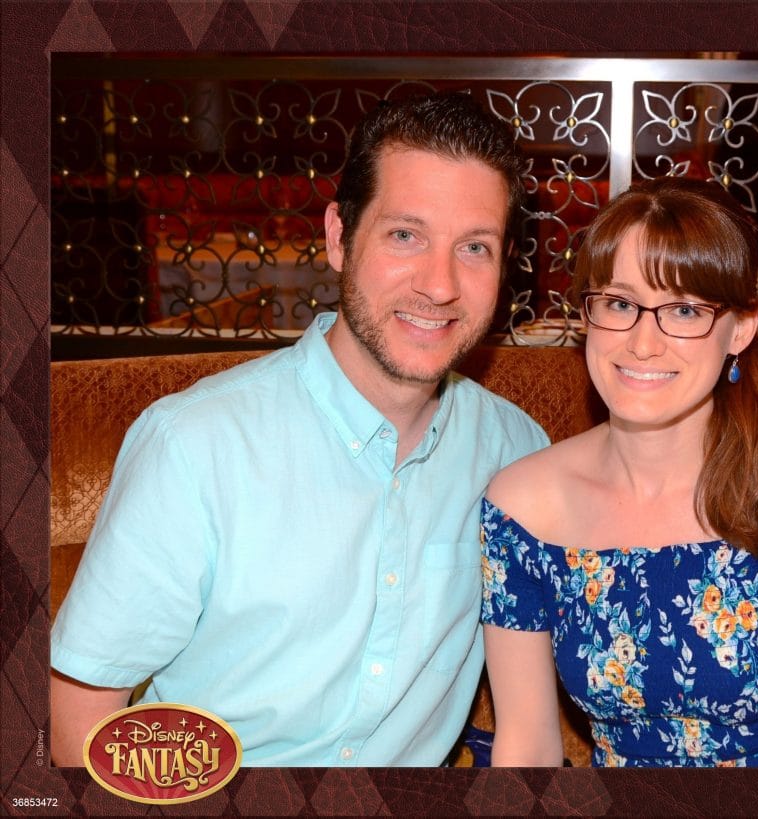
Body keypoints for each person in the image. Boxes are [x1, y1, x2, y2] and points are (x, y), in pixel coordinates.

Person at [50, 91, 549, 767]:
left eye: (475, 247)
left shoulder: (517, 455)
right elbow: (81, 728)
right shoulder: (195, 447)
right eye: (405, 235)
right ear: (340, 237)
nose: (440, 285)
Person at [480, 176, 758, 767]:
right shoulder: (522, 507)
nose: (641, 343)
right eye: (618, 303)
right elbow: (528, 747)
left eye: (684, 310)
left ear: (740, 328)